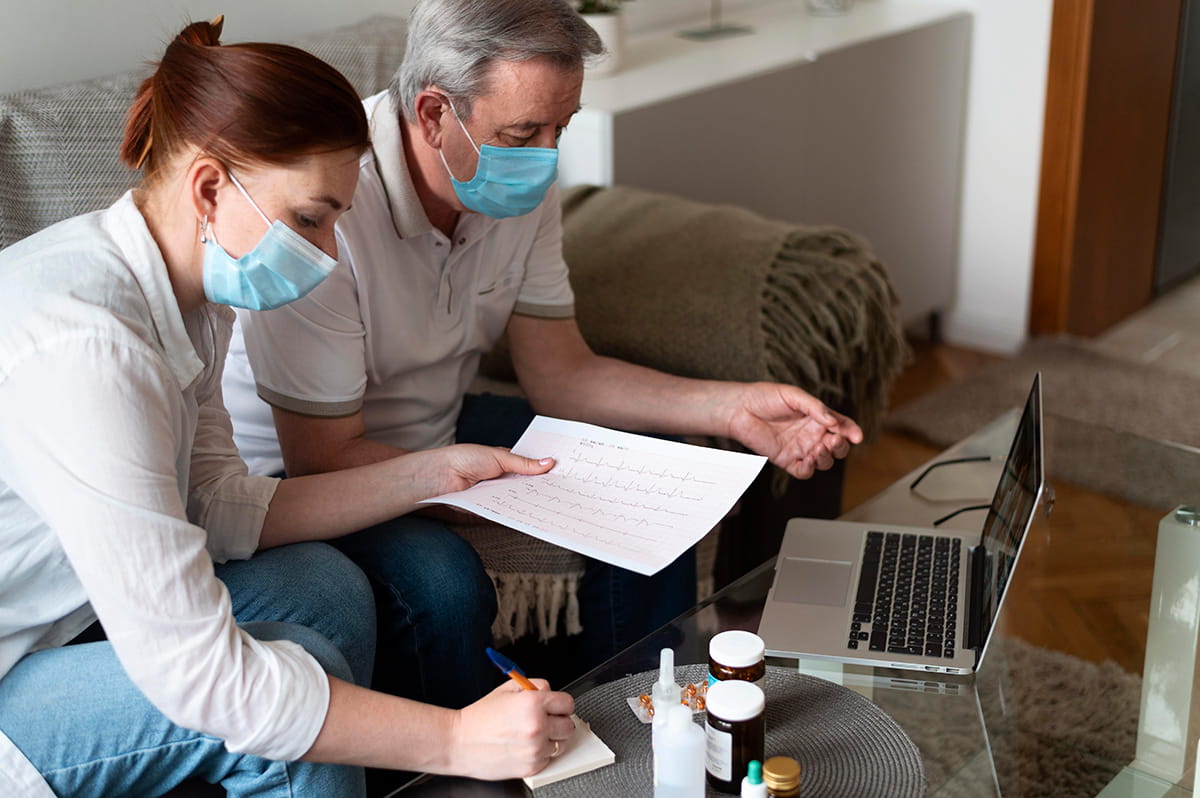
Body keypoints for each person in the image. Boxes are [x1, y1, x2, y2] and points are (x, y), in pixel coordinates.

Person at [0, 17, 574, 798]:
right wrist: (455, 738)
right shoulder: (88, 349)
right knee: (291, 703)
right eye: (311, 218)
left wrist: (432, 473)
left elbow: (221, 506)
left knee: (325, 587)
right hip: (14, 670)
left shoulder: (195, 303)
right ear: (208, 188)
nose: (330, 254)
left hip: (74, 611)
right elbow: (198, 675)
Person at [222, 0, 863, 683]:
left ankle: (642, 716)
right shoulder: (328, 201)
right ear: (435, 114)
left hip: (439, 424)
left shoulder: (512, 184)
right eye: (524, 132)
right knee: (444, 584)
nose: (548, 157)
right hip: (309, 470)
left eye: (562, 127)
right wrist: (479, 482)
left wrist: (733, 408)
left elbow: (561, 373)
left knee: (655, 494)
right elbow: (323, 459)